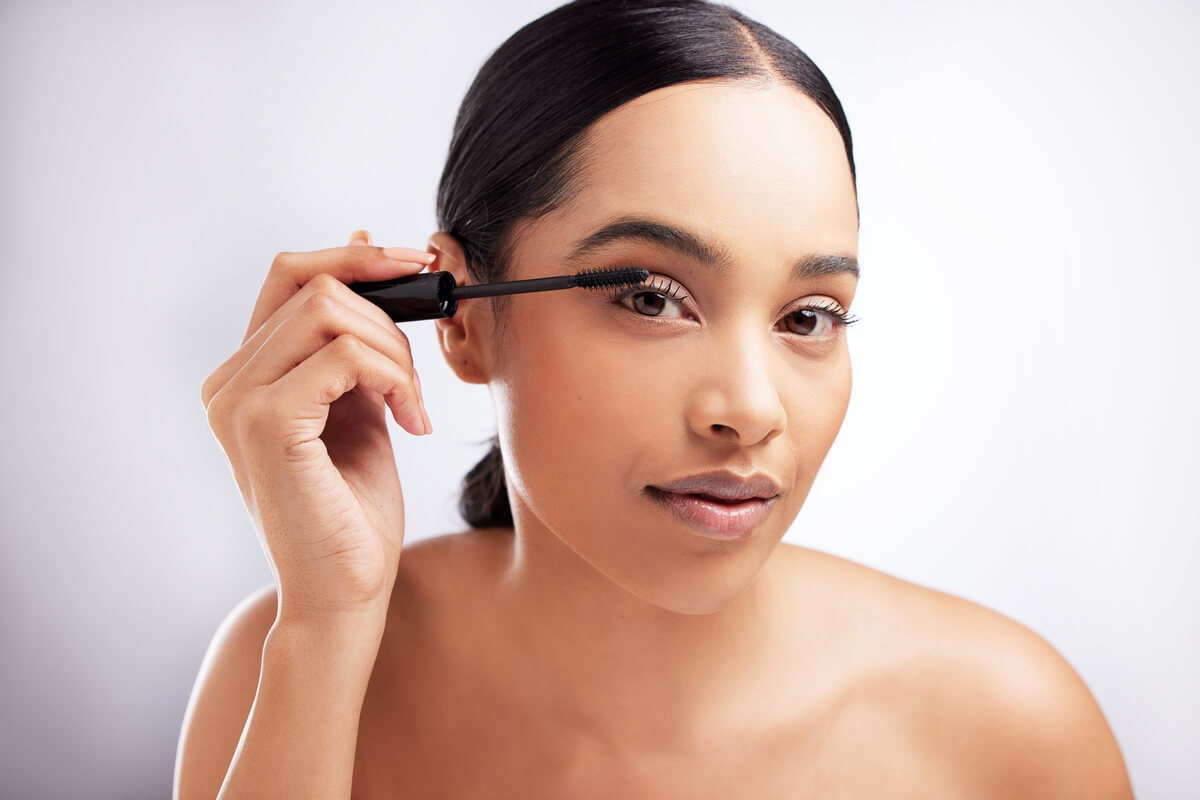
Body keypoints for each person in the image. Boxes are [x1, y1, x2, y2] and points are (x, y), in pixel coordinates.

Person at [174, 0, 1134, 796]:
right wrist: (327, 632)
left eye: (807, 317)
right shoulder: (292, 662)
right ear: (459, 317)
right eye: (650, 297)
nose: (750, 410)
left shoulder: (1013, 735)